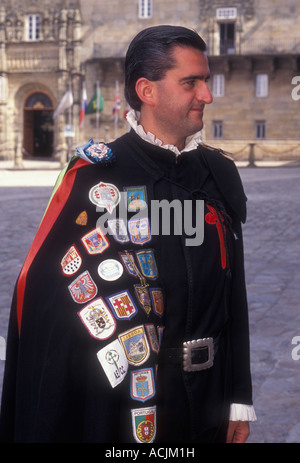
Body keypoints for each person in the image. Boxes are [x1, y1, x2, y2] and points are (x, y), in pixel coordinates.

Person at [0, 25, 256, 443]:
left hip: (211, 401)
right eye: (191, 82)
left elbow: (235, 295)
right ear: (147, 90)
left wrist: (239, 400)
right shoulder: (95, 179)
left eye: (206, 81)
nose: (207, 95)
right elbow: (48, 306)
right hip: (127, 411)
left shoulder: (219, 174)